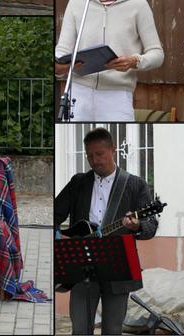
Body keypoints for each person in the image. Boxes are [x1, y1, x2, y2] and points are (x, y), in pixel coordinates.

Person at [54, 127, 159, 335]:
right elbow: (54, 214)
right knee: (80, 330)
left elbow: (151, 226)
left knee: (112, 329)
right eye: (89, 155)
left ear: (113, 150)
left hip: (118, 268)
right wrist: (58, 238)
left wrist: (137, 225)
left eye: (99, 154)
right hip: (82, 267)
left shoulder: (135, 184)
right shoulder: (78, 183)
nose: (94, 160)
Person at [55, 0, 164, 121]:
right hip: (78, 92)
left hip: (117, 95)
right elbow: (63, 48)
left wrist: (134, 61)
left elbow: (157, 54)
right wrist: (58, 65)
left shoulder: (138, 4)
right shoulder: (77, 3)